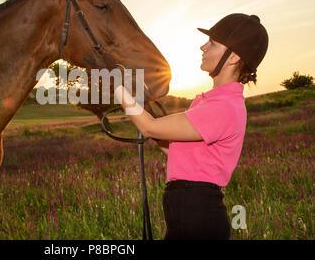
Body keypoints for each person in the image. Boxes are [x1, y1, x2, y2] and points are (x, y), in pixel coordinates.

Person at [114, 13, 268, 240]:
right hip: (191, 213)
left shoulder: (223, 107)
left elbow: (148, 127)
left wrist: (117, 88)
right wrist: (155, 125)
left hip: (197, 216)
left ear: (233, 57)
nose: (203, 47)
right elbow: (174, 150)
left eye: (213, 43)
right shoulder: (212, 102)